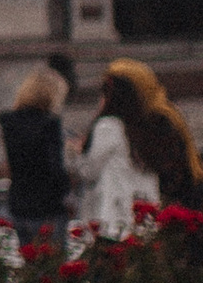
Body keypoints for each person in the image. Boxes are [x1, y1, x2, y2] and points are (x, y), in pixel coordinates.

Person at [81, 59, 203, 234]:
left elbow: (88, 170)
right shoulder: (161, 117)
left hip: (167, 210)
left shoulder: (119, 125)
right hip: (169, 208)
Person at [0, 65, 71, 229]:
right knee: (52, 254)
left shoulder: (10, 123)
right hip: (48, 207)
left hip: (19, 204)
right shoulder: (49, 124)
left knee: (27, 252)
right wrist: (65, 190)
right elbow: (54, 166)